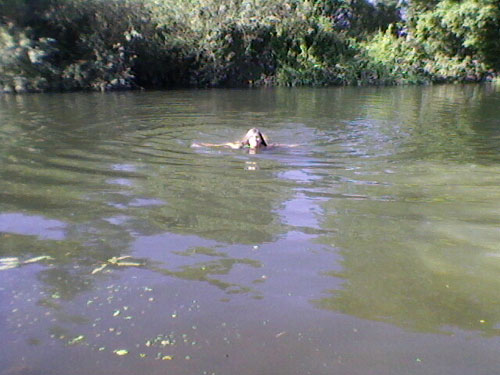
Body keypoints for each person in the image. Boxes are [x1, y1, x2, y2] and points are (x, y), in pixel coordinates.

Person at [192, 128, 298, 150]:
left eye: (257, 138)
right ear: (248, 140)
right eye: (253, 138)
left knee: (266, 138)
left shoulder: (266, 147)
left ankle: (262, 134)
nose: (256, 140)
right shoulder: (240, 146)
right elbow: (219, 145)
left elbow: (280, 145)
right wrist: (201, 145)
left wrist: (294, 146)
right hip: (242, 143)